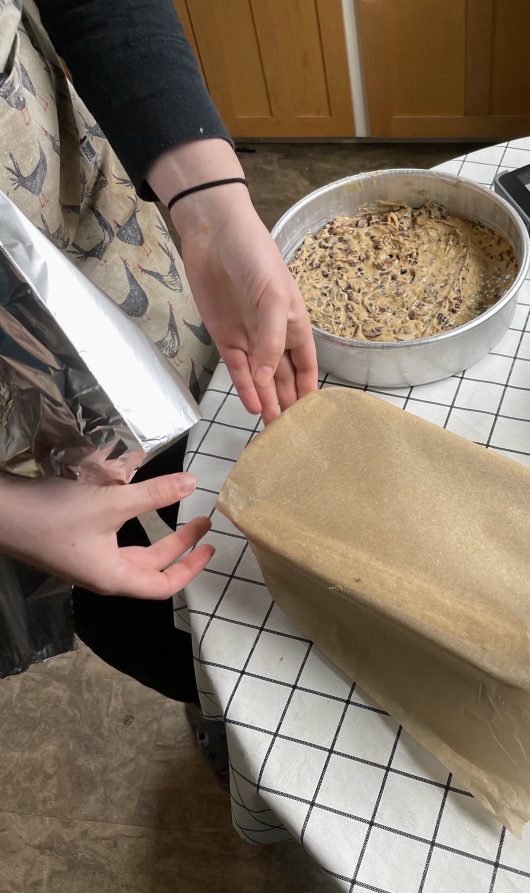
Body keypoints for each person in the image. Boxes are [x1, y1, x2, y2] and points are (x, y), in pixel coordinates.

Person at [0, 0, 317, 775]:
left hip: (77, 230)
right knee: (128, 607)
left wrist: (208, 208)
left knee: (222, 478)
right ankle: (220, 716)